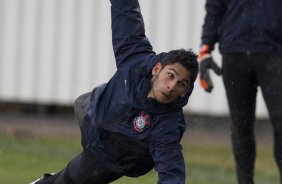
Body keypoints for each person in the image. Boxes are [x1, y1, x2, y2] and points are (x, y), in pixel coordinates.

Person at [30, 0, 198, 183]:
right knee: (82, 102)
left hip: (117, 155)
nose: (172, 86)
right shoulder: (136, 59)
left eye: (181, 84)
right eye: (170, 76)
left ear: (185, 91)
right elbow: (126, 13)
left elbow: (171, 172)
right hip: (93, 114)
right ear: (157, 69)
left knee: (74, 178)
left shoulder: (167, 126)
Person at [198, 0, 282, 183]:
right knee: (240, 127)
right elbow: (214, 6)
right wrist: (205, 50)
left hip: (274, 54)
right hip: (234, 54)